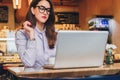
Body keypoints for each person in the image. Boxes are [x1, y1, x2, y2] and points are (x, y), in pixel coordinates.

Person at [15, 0, 57, 67]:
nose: (45, 12)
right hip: (34, 76)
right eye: (42, 8)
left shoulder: (54, 33)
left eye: (48, 10)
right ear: (33, 10)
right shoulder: (21, 34)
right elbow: (28, 63)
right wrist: (31, 35)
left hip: (55, 76)